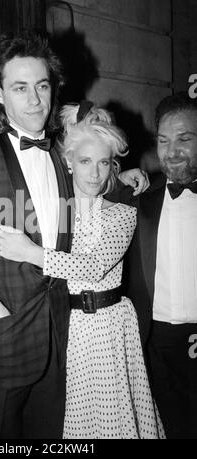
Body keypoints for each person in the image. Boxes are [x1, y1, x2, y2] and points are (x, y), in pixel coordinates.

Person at [0, 30, 148, 439]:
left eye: (42, 86)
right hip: (1, 343)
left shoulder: (63, 158)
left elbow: (94, 180)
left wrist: (128, 177)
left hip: (62, 344)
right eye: (20, 87)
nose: (34, 99)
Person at [0, 102, 165, 439]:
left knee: (113, 422)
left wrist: (31, 252)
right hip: (63, 328)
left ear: (113, 165)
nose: (94, 173)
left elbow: (93, 266)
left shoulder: (121, 214)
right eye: (85, 162)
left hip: (108, 328)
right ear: (69, 163)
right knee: (71, 423)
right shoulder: (54, 213)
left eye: (104, 163)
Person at [123, 92, 197, 439]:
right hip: (155, 343)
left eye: (185, 139)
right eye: (164, 141)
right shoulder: (142, 200)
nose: (172, 151)